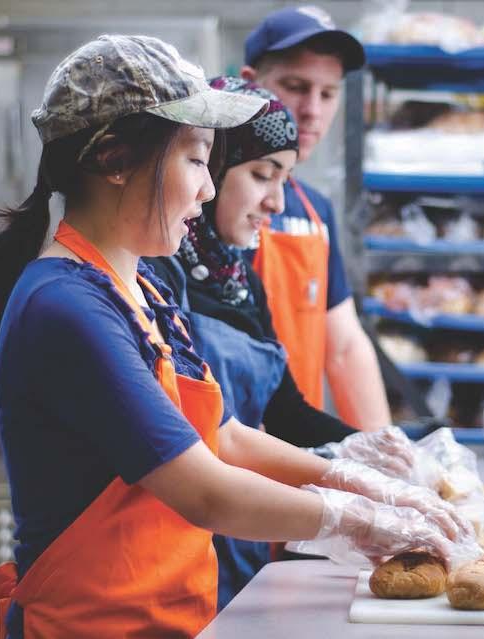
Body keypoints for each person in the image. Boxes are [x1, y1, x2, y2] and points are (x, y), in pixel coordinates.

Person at [0, 35, 473, 638]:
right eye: (194, 160)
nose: (209, 190)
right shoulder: (66, 305)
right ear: (113, 161)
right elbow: (203, 491)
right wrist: (356, 519)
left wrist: (354, 475)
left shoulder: (145, 289)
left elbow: (226, 437)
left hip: (178, 618)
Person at [144, 77, 417, 608]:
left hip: (241, 539)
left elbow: (283, 410)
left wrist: (378, 452)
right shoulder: (155, 276)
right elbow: (212, 441)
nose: (276, 201)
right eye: (262, 175)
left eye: (286, 180)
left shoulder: (239, 276)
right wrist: (349, 498)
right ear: (213, 169)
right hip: (173, 543)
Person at [240, 6, 391, 428]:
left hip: (295, 450)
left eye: (328, 94)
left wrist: (392, 458)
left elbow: (342, 346)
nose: (312, 111)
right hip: (226, 463)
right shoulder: (205, 204)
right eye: (295, 87)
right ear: (249, 86)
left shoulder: (315, 209)